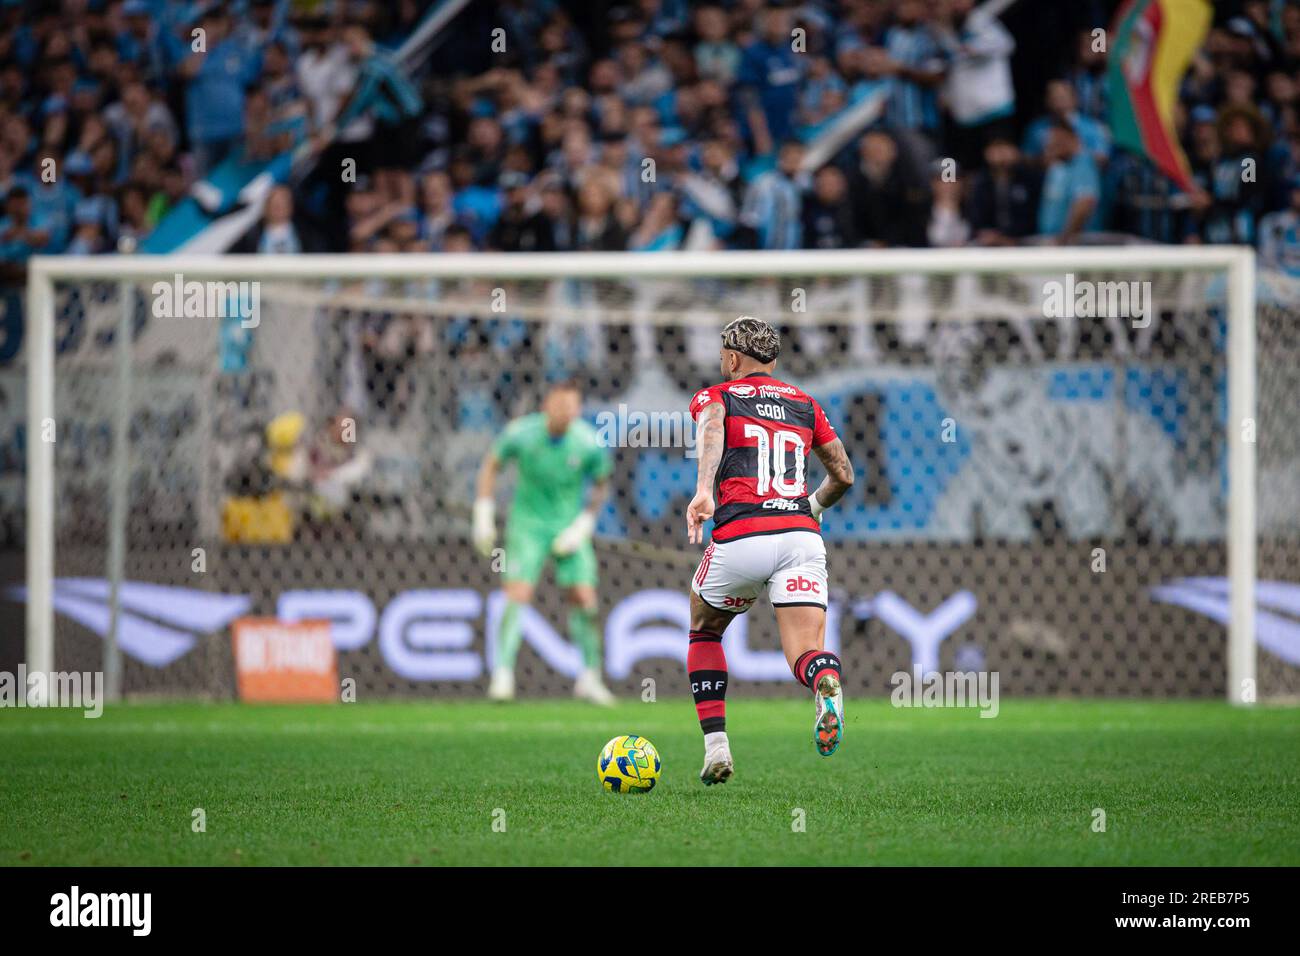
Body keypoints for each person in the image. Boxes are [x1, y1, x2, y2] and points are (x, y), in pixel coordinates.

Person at [684, 317, 856, 785]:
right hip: (801, 538)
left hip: (742, 536)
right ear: (774, 361)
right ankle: (824, 680)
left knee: (704, 629)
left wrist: (704, 489)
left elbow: (713, 426)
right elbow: (843, 474)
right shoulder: (805, 403)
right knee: (805, 652)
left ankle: (717, 746)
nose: (721, 361)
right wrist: (814, 507)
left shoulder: (717, 396)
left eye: (723, 354)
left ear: (733, 359)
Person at [473, 380, 616, 705]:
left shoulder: (588, 442)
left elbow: (601, 482)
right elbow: (491, 465)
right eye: (561, 405)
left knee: (584, 596)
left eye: (573, 407)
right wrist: (483, 511)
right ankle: (503, 674)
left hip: (567, 527)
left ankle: (590, 676)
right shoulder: (521, 433)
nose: (567, 412)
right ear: (546, 406)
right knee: (518, 593)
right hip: (527, 525)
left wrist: (585, 523)